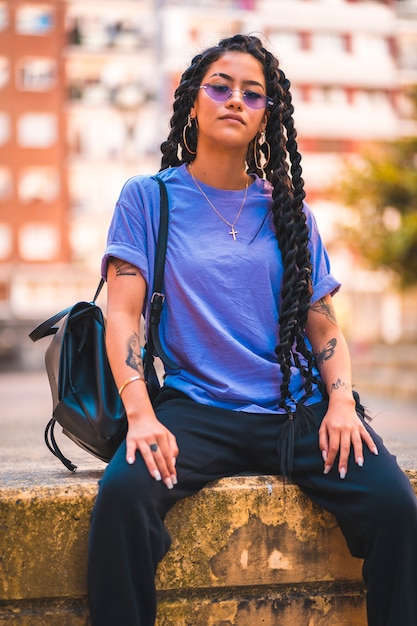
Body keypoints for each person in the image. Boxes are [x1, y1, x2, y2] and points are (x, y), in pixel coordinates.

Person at [87, 34, 417, 626]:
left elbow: (324, 326)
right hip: (196, 408)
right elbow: (123, 315)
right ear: (193, 101)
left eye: (253, 93)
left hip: (296, 410)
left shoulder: (289, 212)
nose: (234, 99)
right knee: (121, 499)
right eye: (220, 86)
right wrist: (141, 414)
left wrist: (341, 404)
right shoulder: (149, 198)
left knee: (396, 507)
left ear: (269, 115)